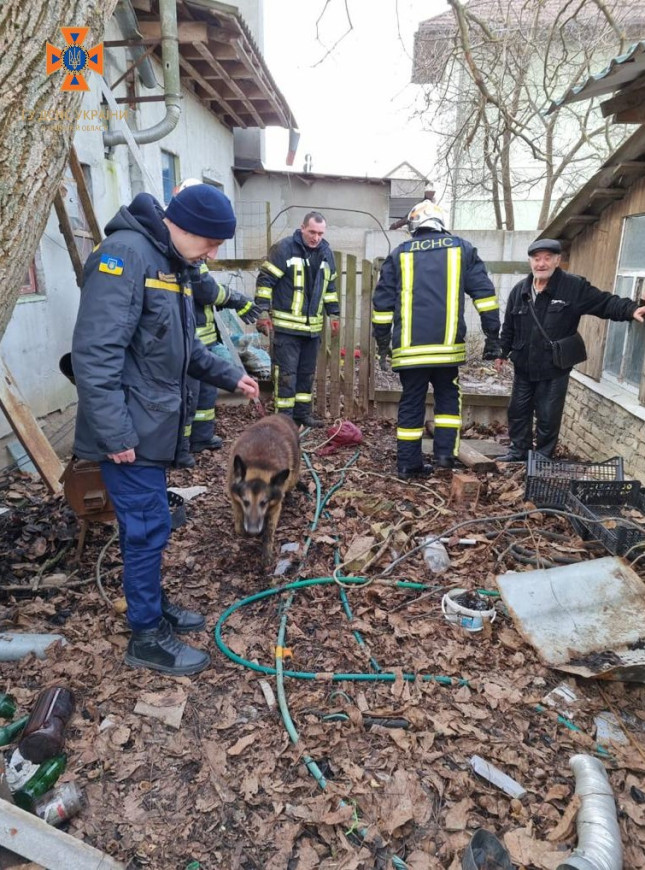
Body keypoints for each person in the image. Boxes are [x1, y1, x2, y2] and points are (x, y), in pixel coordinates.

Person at [71, 184, 259, 676]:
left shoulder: (171, 264)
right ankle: (146, 635)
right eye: (211, 242)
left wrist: (228, 374)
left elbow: (181, 349)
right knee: (146, 527)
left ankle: (151, 605)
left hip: (151, 423)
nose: (213, 253)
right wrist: (115, 435)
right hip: (129, 430)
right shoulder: (123, 257)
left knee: (151, 528)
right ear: (182, 224)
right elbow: (95, 354)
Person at [372, 199, 502, 479]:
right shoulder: (462, 249)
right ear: (440, 223)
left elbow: (381, 305)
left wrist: (382, 342)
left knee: (411, 402)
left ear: (414, 226)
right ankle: (445, 455)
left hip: (409, 351)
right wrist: (493, 335)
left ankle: (408, 465)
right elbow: (485, 295)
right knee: (448, 399)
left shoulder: (399, 254)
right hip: (447, 350)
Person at [495, 238, 645, 461]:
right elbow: (509, 326)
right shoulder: (520, 291)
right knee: (518, 411)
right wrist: (501, 353)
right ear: (530, 262)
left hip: (554, 366)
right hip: (524, 365)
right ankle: (519, 451)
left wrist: (631, 310)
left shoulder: (573, 287)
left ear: (557, 261)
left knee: (548, 415)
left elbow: (604, 302)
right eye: (537, 259)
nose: (541, 264)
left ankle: (542, 457)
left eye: (547, 258)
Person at [170, 180, 261, 467]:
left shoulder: (193, 249)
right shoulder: (181, 250)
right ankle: (182, 448)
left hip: (202, 339)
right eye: (212, 245)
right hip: (189, 339)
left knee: (205, 394)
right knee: (189, 396)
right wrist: (236, 298)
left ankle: (201, 437)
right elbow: (206, 290)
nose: (212, 253)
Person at [254, 211, 340, 427]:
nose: (316, 237)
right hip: (287, 329)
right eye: (312, 232)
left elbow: (330, 287)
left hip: (312, 330)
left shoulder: (326, 253)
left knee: (306, 374)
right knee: (286, 376)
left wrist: (334, 312)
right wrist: (263, 311)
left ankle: (302, 415)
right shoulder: (283, 249)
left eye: (320, 233)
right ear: (302, 228)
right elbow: (265, 281)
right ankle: (283, 419)